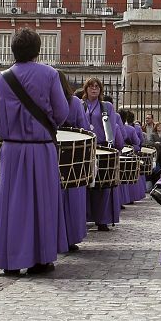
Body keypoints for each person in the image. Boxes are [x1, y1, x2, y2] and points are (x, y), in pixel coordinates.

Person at [0, 28, 70, 275]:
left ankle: (9, 259)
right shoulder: (50, 74)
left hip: (12, 149)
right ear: (38, 50)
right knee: (42, 204)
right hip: (40, 148)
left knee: (10, 205)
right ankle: (41, 258)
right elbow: (62, 112)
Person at [81, 78, 125, 231]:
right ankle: (85, 217)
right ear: (86, 89)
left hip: (102, 147)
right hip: (85, 148)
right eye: (91, 87)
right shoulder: (81, 105)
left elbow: (111, 127)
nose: (94, 89)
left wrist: (110, 145)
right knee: (85, 184)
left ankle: (102, 219)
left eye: (97, 87)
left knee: (103, 185)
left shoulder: (107, 106)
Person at [58, 70, 90, 251]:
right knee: (71, 195)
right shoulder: (75, 102)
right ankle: (70, 236)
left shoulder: (45, 99)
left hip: (52, 149)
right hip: (72, 153)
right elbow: (84, 127)